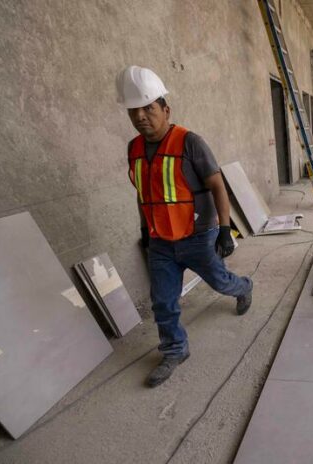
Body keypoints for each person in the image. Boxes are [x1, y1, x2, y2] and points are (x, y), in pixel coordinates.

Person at [116, 65, 253, 388]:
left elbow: (218, 186)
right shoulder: (133, 149)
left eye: (148, 108)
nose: (141, 117)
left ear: (165, 109)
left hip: (197, 236)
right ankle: (175, 349)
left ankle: (244, 287)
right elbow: (143, 194)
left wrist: (224, 229)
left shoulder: (190, 142)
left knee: (221, 283)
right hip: (161, 241)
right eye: (134, 111)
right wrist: (144, 231)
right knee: (163, 300)